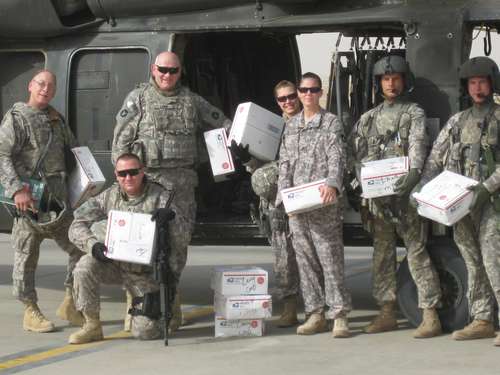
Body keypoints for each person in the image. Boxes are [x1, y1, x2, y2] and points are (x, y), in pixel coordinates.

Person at [111, 51, 231, 331]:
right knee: (140, 249)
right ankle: (137, 304)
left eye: (173, 70)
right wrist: (127, 181)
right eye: (162, 69)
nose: (167, 75)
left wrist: (237, 142)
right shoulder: (138, 99)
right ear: (154, 69)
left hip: (182, 189)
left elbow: (222, 123)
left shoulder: (192, 101)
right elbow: (120, 144)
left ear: (180, 72)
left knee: (176, 249)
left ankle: (171, 302)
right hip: (147, 186)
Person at [350, 55, 443, 338]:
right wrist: (361, 181)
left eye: (395, 79)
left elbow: (418, 142)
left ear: (404, 81)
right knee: (382, 255)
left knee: (416, 252)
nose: (391, 84)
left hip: (405, 197)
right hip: (379, 201)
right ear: (379, 84)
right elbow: (355, 155)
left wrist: (414, 173)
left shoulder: (413, 112)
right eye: (386, 80)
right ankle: (386, 312)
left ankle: (430, 313)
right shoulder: (368, 118)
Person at [419, 56, 500, 345]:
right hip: (460, 205)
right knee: (472, 261)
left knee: (494, 261)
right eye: (473, 82)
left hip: (492, 204)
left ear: (492, 84)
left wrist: (486, 188)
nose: (478, 88)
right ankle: (482, 319)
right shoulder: (457, 121)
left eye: (483, 82)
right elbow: (434, 159)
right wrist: (422, 188)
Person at [0, 70, 84, 333]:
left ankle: (71, 300)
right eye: (41, 84)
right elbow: (2, 155)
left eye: (50, 85)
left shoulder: (56, 119)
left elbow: (74, 150)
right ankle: (30, 311)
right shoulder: (16, 119)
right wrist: (17, 191)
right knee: (26, 256)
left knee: (80, 248)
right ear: (30, 86)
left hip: (57, 202)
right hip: (29, 202)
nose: (45, 89)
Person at [67, 153, 182, 344]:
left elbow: (181, 238)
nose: (128, 178)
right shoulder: (108, 196)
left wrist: (171, 219)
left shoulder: (161, 197)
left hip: (145, 273)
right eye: (122, 174)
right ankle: (92, 325)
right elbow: (76, 224)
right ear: (116, 174)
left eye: (133, 172)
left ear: (142, 171)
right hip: (114, 265)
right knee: (84, 266)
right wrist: (93, 245)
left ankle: (169, 304)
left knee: (145, 332)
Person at [276, 72, 351, 337]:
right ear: (298, 92)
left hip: (323, 203)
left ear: (321, 93)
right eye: (304, 90)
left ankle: (339, 315)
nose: (308, 95)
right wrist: (282, 196)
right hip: (297, 205)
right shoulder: (292, 126)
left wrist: (333, 183)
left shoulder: (331, 123)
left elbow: (337, 156)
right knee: (305, 261)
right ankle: (316, 313)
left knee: (330, 260)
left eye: (313, 90)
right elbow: (284, 163)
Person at [230, 80, 301, 327]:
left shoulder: (309, 123)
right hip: (276, 204)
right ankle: (290, 307)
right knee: (283, 259)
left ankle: (317, 307)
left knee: (310, 256)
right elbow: (259, 168)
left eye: (292, 96)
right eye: (282, 99)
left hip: (303, 200)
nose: (288, 102)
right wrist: (247, 159)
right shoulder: (270, 127)